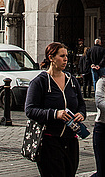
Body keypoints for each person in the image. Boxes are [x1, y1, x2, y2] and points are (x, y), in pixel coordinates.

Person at [25, 42, 87, 177]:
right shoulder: (39, 82)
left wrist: (81, 114)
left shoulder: (72, 80)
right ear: (51, 58)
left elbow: (81, 105)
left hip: (71, 140)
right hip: (49, 141)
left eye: (66, 56)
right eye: (62, 56)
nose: (65, 59)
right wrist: (54, 114)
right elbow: (30, 110)